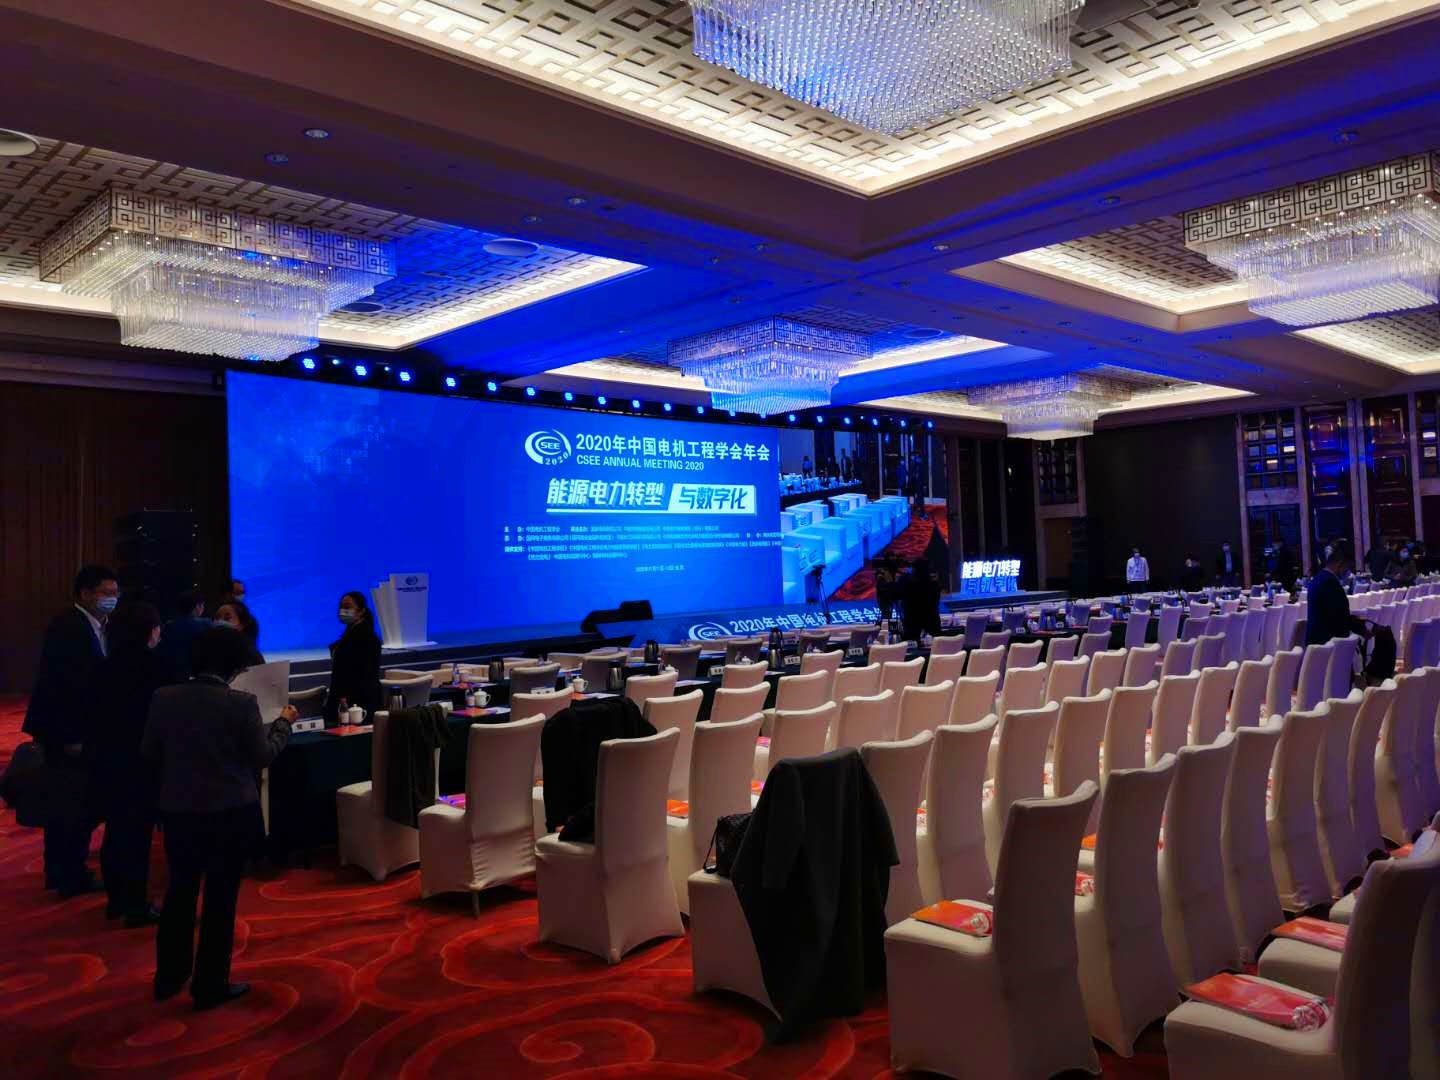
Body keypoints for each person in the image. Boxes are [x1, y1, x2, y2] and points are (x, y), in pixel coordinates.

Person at [143, 627, 294, 1009]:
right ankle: (210, 983)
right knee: (220, 900)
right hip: (230, 813)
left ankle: (168, 976)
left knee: (179, 893)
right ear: (234, 666)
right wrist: (283, 724)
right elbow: (262, 756)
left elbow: (150, 753)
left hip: (179, 812)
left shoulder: (163, 698)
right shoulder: (241, 703)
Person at [24, 564, 118, 896]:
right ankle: (66, 874)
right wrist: (70, 737)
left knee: (77, 804)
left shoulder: (98, 625)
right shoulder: (68, 627)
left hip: (82, 730)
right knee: (68, 805)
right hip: (66, 732)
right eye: (106, 593)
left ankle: (66, 870)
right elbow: (60, 686)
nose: (113, 599)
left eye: (115, 592)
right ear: (85, 593)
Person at [87, 601, 173, 926]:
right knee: (137, 835)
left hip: (107, 759)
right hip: (144, 762)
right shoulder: (158, 667)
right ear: (149, 632)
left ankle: (116, 901)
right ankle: (136, 905)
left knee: (116, 830)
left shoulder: (102, 668)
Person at [324, 591, 382, 726]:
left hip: (358, 703)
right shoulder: (351, 632)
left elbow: (355, 672)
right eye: (341, 606)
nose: (343, 611)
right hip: (351, 699)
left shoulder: (366, 636)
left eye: (347, 606)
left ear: (361, 611)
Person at [1306, 538, 1354, 646]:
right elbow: (1340, 619)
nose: (1347, 571)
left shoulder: (1319, 578)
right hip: (1326, 645)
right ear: (1340, 563)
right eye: (1347, 566)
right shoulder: (1330, 583)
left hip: (1319, 643)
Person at [158, 588, 211, 681]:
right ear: (197, 606)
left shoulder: (168, 625)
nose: (203, 608)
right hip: (195, 675)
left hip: (169, 674)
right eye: (202, 605)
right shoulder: (205, 625)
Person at [213, 599, 265, 667]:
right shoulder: (207, 652)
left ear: (242, 625)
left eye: (227, 618)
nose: (219, 622)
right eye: (217, 618)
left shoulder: (252, 655)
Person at [900, 559, 942, 642]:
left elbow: (899, 599)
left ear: (915, 570)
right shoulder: (934, 585)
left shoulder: (909, 586)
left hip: (913, 628)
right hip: (932, 626)